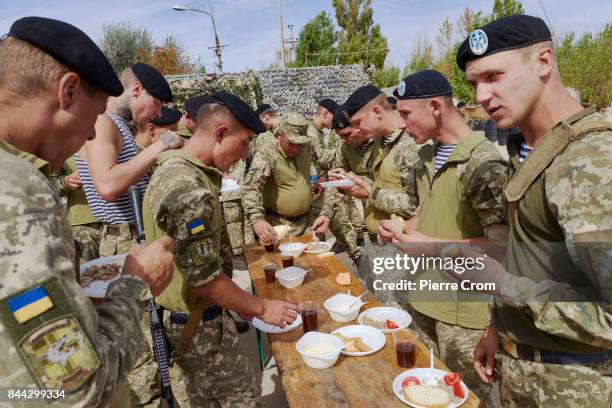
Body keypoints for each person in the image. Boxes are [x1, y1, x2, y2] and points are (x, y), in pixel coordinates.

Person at [0, 16, 174, 406]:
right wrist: (134, 284)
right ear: (68, 92)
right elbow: (73, 388)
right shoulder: (17, 192)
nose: (93, 135)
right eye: (95, 117)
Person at [453, 15, 612, 406]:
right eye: (475, 83)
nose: (481, 96)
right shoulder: (529, 150)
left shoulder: (590, 160)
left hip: (575, 386)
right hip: (523, 372)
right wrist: (498, 329)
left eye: (494, 76)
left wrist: (500, 285)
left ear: (543, 61)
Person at [143, 91, 299, 407]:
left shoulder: (178, 167)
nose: (245, 154)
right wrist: (261, 307)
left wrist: (239, 303)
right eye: (244, 142)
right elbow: (205, 279)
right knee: (242, 399)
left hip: (188, 315)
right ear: (221, 133)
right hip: (196, 323)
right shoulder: (190, 186)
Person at [378, 70, 507, 401]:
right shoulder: (427, 155)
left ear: (435, 106)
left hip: (463, 316)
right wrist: (403, 230)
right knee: (424, 393)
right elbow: (429, 210)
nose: (402, 124)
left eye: (406, 113)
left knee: (465, 398)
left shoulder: (483, 162)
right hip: (423, 301)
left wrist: (431, 246)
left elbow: (502, 246)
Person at [314, 85, 420, 294]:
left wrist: (370, 192)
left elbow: (417, 205)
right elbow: (375, 181)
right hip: (375, 238)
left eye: (356, 125)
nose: (356, 132)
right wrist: (349, 181)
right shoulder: (379, 142)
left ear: (377, 112)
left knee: (400, 312)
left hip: (398, 243)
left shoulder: (409, 144)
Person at [75, 62, 183, 258]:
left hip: (135, 236)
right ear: (137, 90)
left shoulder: (119, 125)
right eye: (157, 103)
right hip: (125, 242)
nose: (158, 114)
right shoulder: (102, 122)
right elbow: (107, 186)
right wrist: (161, 145)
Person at [242, 112, 322, 242]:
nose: (295, 149)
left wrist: (321, 176)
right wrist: (257, 219)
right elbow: (250, 187)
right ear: (279, 135)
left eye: (299, 144)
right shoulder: (268, 153)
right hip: (279, 227)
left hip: (308, 222)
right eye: (291, 143)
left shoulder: (306, 146)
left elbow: (317, 161)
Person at [49, 156, 101, 263]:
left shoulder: (123, 139)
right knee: (87, 275)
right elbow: (46, 186)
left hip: (122, 226)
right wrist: (65, 182)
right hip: (83, 229)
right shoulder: (62, 143)